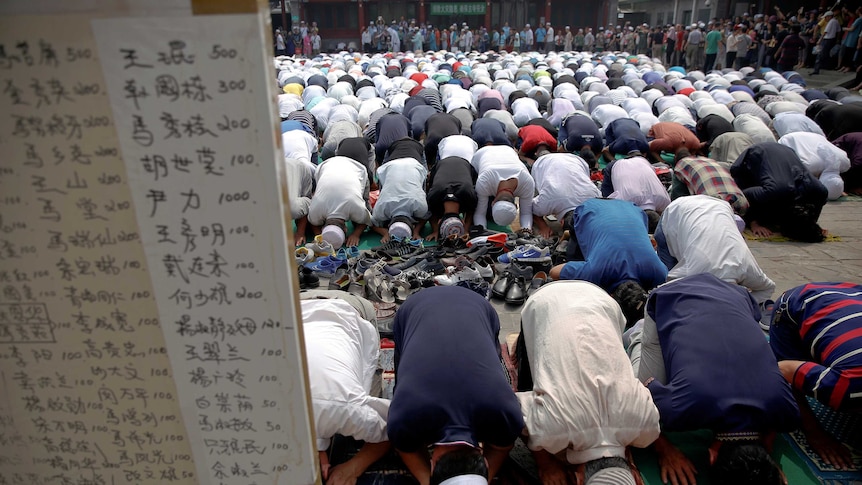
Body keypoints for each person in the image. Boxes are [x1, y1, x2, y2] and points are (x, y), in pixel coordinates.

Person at [627, 273, 800, 485]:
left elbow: (776, 422)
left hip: (737, 296)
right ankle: (638, 334)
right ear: (711, 456)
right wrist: (665, 450)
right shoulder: (679, 410)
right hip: (669, 297)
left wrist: (762, 464)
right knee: (640, 386)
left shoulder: (786, 413)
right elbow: (640, 399)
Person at [516, 281, 661, 485]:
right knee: (529, 385)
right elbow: (512, 409)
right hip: (544, 302)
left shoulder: (647, 426)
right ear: (578, 478)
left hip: (602, 302)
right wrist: (546, 465)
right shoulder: (552, 429)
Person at [387, 286, 524, 485]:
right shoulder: (403, 418)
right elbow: (405, 447)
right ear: (433, 465)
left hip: (477, 306)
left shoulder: (508, 414)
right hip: (414, 310)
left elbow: (503, 446)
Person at [768, 282, 862, 470]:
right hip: (800, 302)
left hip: (852, 292)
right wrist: (815, 432)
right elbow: (782, 370)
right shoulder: (845, 387)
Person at [301, 295, 390, 485]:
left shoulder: (347, 409)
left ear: (324, 470)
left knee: (369, 389)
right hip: (293, 306)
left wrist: (354, 467)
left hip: (349, 308)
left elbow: (398, 427)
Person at [549, 198, 668, 325]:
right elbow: (554, 272)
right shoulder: (595, 272)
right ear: (610, 297)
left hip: (632, 209)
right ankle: (572, 235)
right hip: (586, 211)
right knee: (574, 260)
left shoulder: (659, 273)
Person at [655, 195, 775, 305]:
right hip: (675, 210)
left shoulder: (747, 267)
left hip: (718, 206)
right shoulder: (692, 273)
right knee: (666, 284)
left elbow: (768, 288)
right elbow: (663, 291)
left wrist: (745, 303)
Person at [731, 142, 829, 241]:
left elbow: (813, 213)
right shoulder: (775, 190)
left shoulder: (820, 192)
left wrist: (812, 226)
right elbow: (744, 194)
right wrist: (753, 223)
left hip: (785, 152)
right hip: (757, 154)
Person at [527, 138, 600, 238]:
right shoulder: (549, 199)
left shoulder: (595, 198)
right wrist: (542, 226)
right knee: (534, 193)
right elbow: (528, 206)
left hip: (577, 161)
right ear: (561, 223)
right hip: (543, 163)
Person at [308, 155, 372, 249]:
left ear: (346, 229)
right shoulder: (315, 212)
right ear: (346, 229)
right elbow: (313, 223)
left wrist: (356, 234)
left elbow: (367, 219)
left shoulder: (356, 206)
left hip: (357, 168)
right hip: (325, 166)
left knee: (365, 203)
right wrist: (320, 236)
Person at [371, 140, 428, 242]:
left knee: (423, 179)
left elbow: (372, 223)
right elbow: (425, 216)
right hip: (406, 162)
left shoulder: (419, 204)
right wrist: (417, 232)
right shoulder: (382, 207)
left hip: (409, 162)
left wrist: (385, 233)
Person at [471, 143, 535, 232]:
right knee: (479, 208)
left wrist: (527, 231)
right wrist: (481, 232)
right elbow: (479, 214)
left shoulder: (527, 182)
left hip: (508, 151)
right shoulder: (484, 181)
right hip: (481, 154)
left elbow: (526, 213)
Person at [670, 148, 749, 215]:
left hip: (712, 204)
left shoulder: (680, 165)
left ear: (676, 160)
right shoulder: (709, 160)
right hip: (741, 203)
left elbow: (677, 197)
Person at [601, 155, 671, 213]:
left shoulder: (665, 202)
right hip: (618, 165)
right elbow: (608, 204)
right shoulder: (625, 201)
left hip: (642, 161)